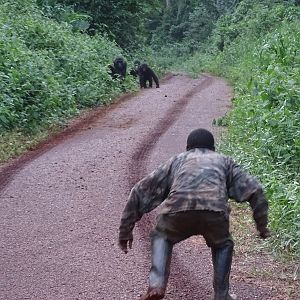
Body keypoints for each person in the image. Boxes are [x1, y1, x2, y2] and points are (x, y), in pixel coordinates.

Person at [118, 128, 270, 300]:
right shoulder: (225, 161)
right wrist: (262, 227)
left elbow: (140, 191)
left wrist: (125, 230)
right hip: (214, 213)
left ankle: (157, 284)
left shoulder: (178, 160)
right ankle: (221, 294)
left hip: (177, 211)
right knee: (222, 244)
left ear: (187, 147)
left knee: (162, 237)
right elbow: (255, 190)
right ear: (213, 148)